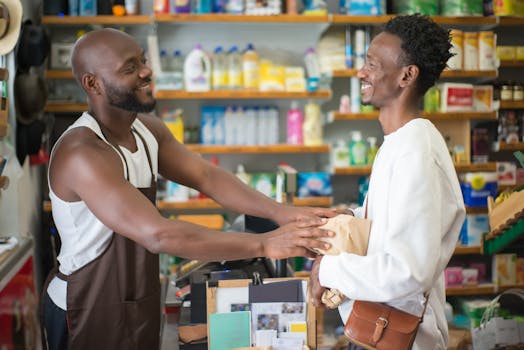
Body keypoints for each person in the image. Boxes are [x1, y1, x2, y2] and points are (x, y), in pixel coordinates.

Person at [41, 28, 337, 350]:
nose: (146, 71)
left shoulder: (145, 130)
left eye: (142, 60)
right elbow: (158, 234)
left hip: (135, 299)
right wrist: (265, 245)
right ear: (92, 83)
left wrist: (283, 213)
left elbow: (206, 177)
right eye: (129, 68)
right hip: (85, 306)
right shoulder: (82, 152)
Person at [310, 14, 466, 350]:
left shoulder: (416, 152)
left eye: (372, 64)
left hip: (401, 340)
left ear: (407, 76)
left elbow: (406, 272)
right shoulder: (399, 143)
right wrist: (346, 220)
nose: (361, 73)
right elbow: (393, 229)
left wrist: (328, 270)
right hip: (376, 331)